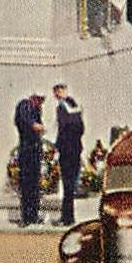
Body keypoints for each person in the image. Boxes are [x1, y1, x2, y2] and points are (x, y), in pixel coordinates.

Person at [52, 84, 85, 226]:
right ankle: (68, 216)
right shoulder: (75, 106)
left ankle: (67, 218)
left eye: (58, 91)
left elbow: (63, 129)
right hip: (76, 148)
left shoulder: (62, 107)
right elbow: (81, 128)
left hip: (67, 150)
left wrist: (57, 146)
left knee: (67, 185)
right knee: (70, 187)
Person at [13, 93, 46, 226]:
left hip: (35, 150)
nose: (41, 103)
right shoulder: (24, 105)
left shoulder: (37, 110)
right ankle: (26, 217)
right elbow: (26, 122)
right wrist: (35, 125)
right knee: (26, 185)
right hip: (27, 149)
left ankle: (34, 215)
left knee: (34, 185)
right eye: (39, 99)